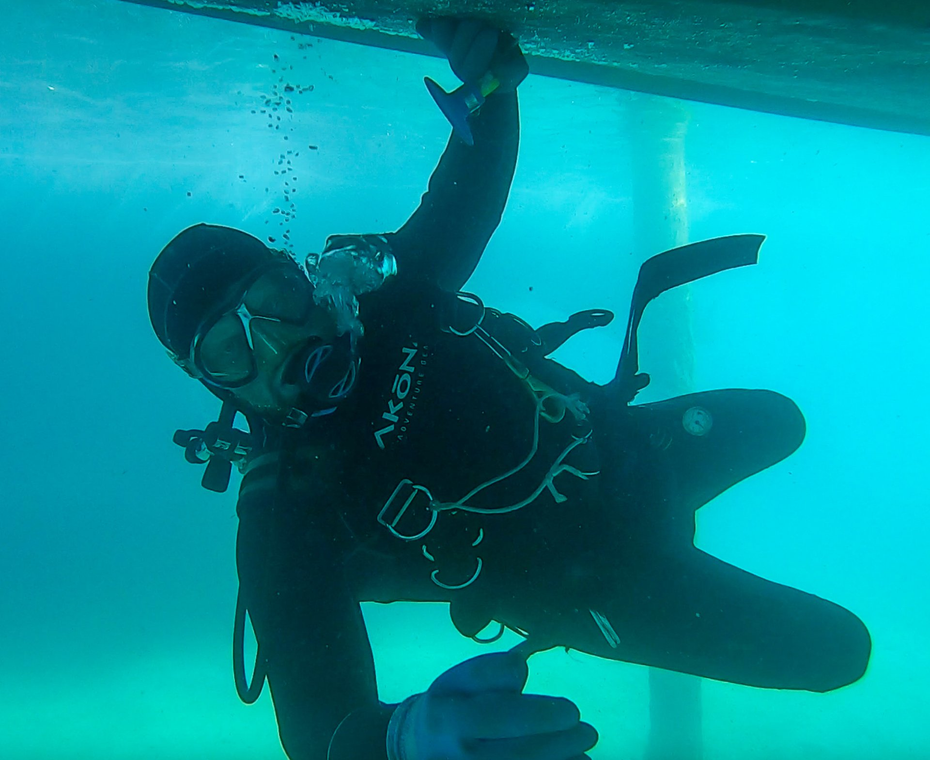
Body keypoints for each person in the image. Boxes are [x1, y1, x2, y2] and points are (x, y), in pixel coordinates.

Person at [147, 17, 871, 760]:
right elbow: (318, 728)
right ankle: (655, 575)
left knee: (780, 420)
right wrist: (402, 738)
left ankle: (665, 509)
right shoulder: (285, 508)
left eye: (272, 300)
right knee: (838, 651)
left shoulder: (389, 302)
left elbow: (464, 195)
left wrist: (492, 83)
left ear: (302, 277)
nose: (277, 343)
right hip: (588, 580)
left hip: (615, 452)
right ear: (211, 382)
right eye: (232, 347)